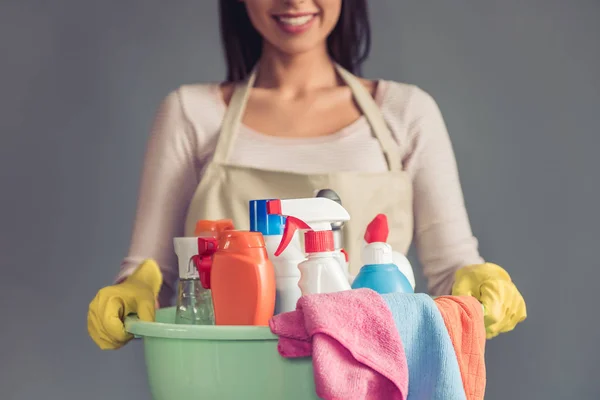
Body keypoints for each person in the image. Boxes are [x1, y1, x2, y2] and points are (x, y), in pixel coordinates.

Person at [87, 0, 526, 350]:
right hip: (229, 374)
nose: (294, 0)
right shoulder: (192, 113)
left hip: (371, 374)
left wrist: (476, 280)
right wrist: (136, 287)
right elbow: (159, 276)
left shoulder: (405, 114)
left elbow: (451, 269)